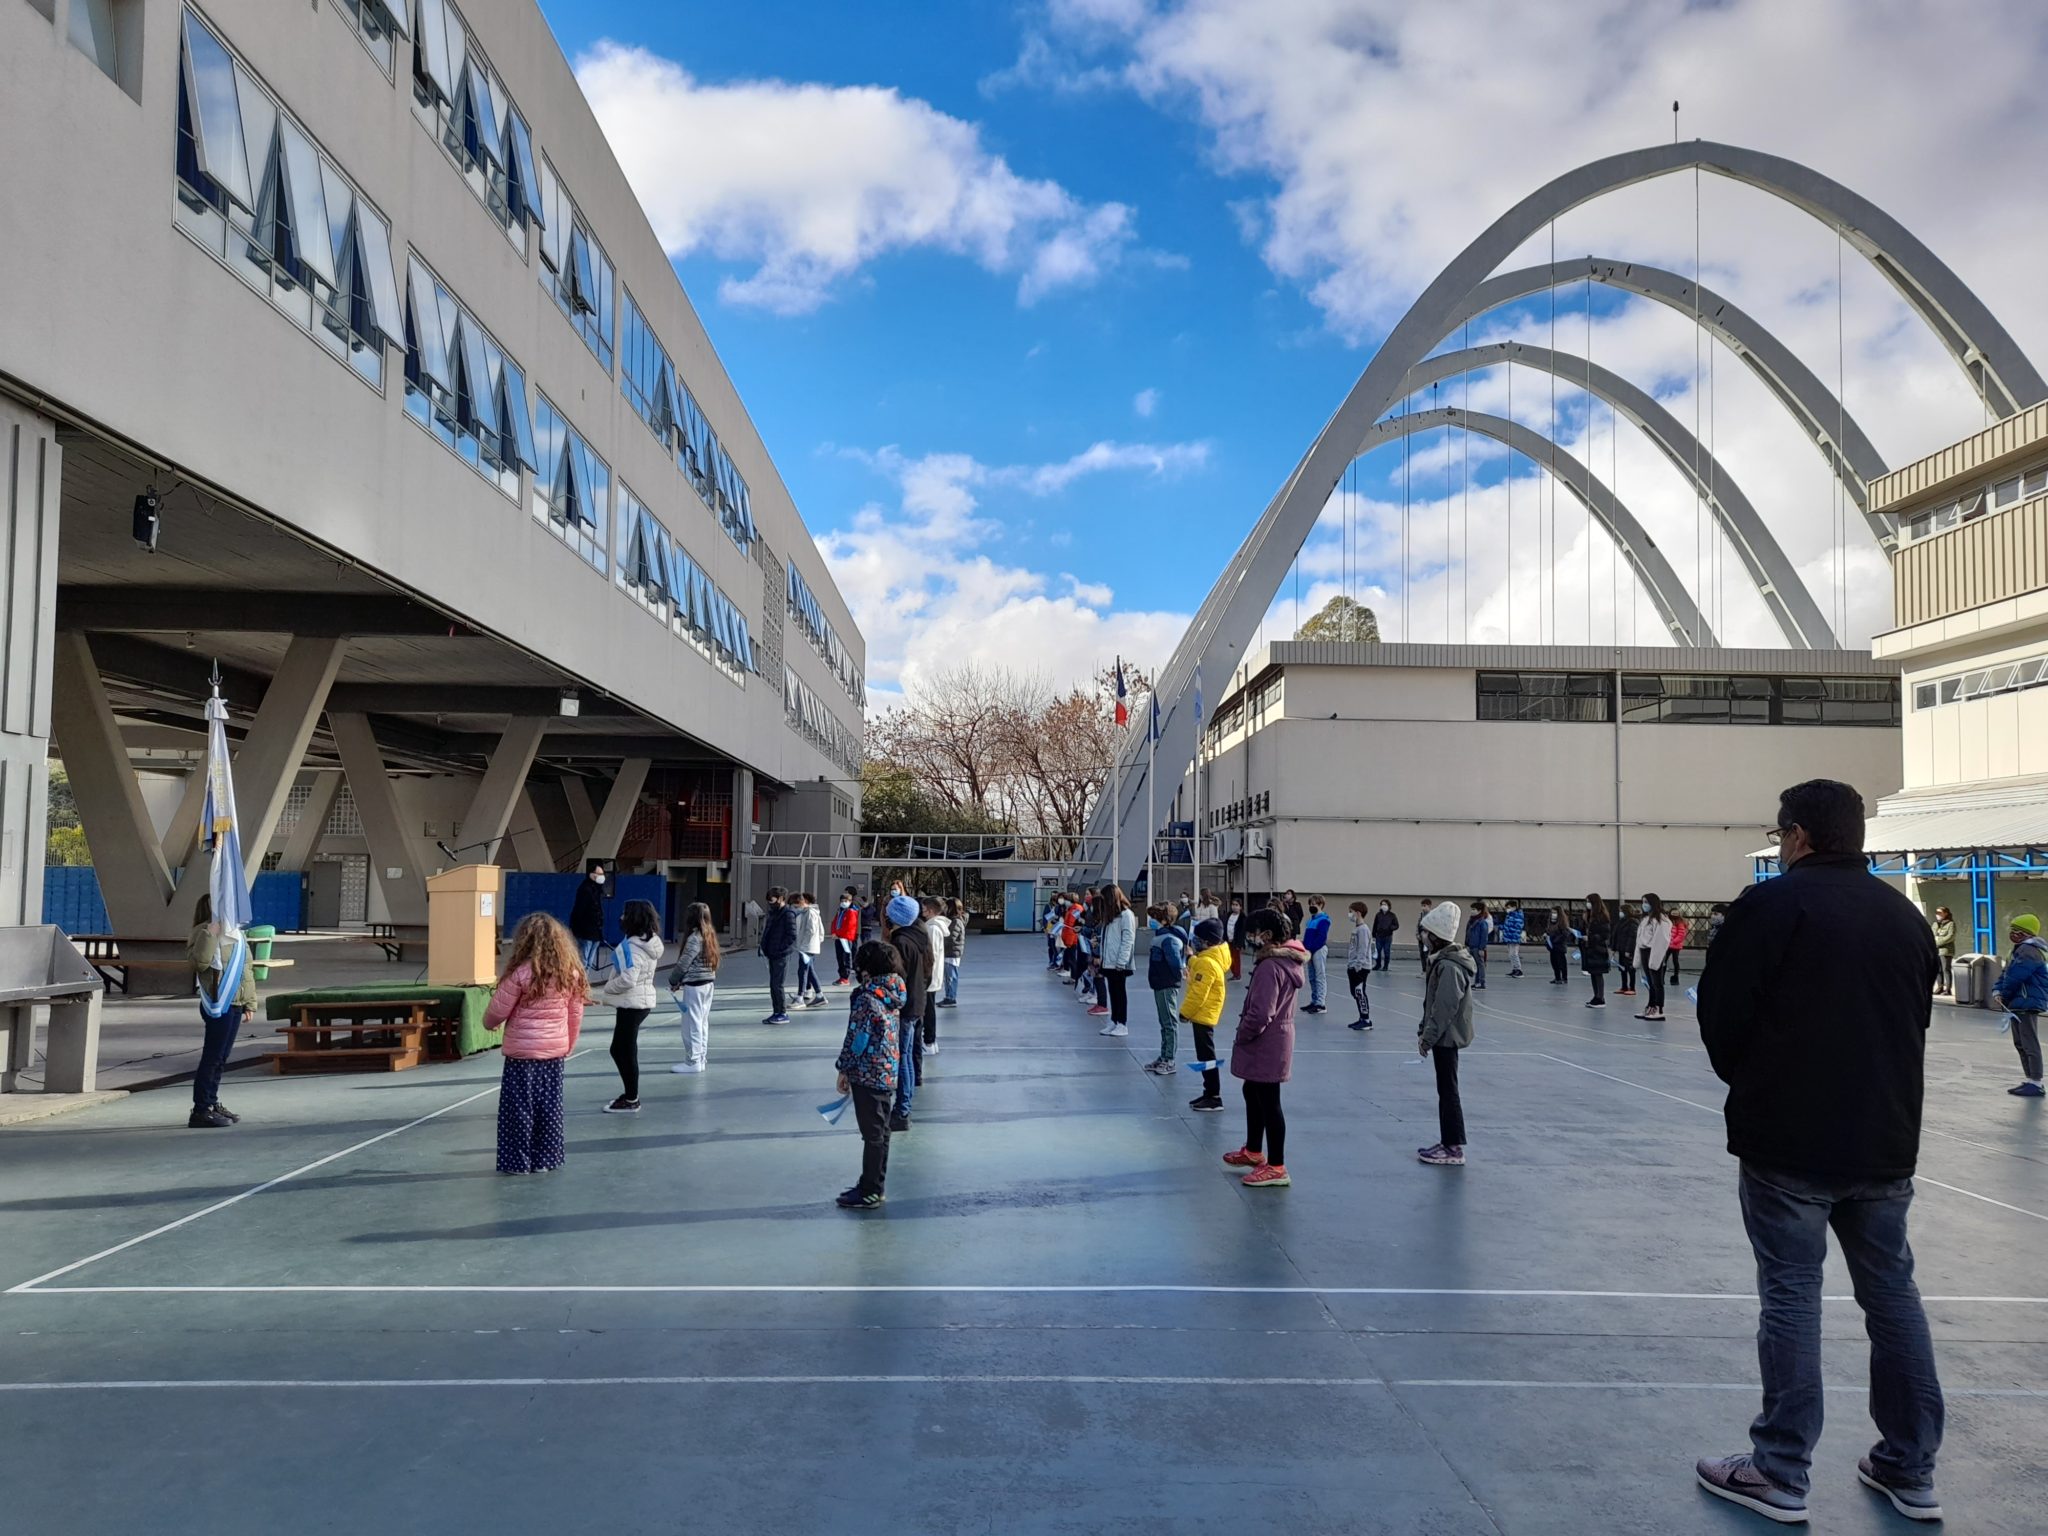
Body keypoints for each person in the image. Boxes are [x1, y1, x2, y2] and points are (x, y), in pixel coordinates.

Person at [1693, 779, 1945, 1526]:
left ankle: (1780, 1471)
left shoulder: (1770, 907)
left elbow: (1722, 1018)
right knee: (1893, 1297)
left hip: (1790, 1143)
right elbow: (1915, 1022)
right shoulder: (1903, 917)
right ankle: (1911, 1465)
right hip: (1885, 1143)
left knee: (1794, 1294)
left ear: (1798, 836)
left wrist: (1764, 1083)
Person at [484, 913, 585, 1176]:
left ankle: (517, 1162)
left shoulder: (521, 973)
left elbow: (496, 1012)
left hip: (522, 1054)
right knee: (549, 1108)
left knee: (518, 1110)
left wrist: (489, 1023)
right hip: (554, 1054)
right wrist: (568, 1044)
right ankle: (545, 1159)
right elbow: (575, 1014)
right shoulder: (570, 973)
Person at [1222, 908, 1304, 1189]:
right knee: (1252, 1090)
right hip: (1273, 1039)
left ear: (1267, 936)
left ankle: (1277, 1166)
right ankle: (1254, 1150)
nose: (1250, 938)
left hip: (1267, 1041)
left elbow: (1261, 1013)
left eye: (1253, 932)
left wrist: (1243, 1033)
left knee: (1269, 1101)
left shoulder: (1270, 967)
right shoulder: (1280, 964)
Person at [834, 940, 906, 1210]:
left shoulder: (867, 997)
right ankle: (872, 1184)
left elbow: (858, 1038)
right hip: (887, 1068)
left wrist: (844, 1067)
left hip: (867, 1071)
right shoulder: (894, 990)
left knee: (873, 1134)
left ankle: (870, 1190)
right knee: (881, 1130)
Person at [185, 893, 257, 1129]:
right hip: (218, 1002)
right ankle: (201, 1108)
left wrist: (250, 1002)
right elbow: (200, 963)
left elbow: (246, 969)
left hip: (236, 1002)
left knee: (221, 1057)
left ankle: (212, 1102)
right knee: (212, 1056)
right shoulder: (202, 932)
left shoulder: (236, 934)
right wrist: (210, 933)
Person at [1415, 901, 1475, 1166]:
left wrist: (1428, 1036)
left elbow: (1444, 1007)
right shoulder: (1442, 962)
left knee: (1449, 1090)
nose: (1423, 937)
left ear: (1436, 936)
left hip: (1446, 1037)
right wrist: (1424, 1028)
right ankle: (1448, 1140)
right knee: (1446, 1088)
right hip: (1443, 1035)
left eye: (1426, 932)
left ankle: (1453, 1146)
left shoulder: (1449, 967)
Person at [600, 899, 664, 1113]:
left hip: (633, 1003)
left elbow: (628, 979)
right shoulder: (648, 942)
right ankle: (630, 1095)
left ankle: (631, 1098)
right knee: (624, 1049)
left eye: (625, 914)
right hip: (638, 1002)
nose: (621, 917)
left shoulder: (633, 947)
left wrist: (608, 988)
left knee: (622, 1050)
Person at [882, 894, 931, 1132]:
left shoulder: (901, 943)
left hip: (904, 1006)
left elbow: (896, 979)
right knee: (908, 1056)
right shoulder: (919, 937)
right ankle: (904, 1104)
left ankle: (902, 1109)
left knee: (901, 1058)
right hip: (916, 1002)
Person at [1991, 913, 2047, 1097]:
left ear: (2027, 933)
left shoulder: (2028, 951)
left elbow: (2015, 976)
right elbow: (2007, 973)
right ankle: (2031, 1079)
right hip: (2018, 1002)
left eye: (2018, 931)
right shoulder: (2019, 950)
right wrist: (1997, 990)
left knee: (2028, 1042)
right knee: (2021, 1042)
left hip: (2025, 1001)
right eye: (2012, 929)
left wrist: (2003, 994)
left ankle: (2036, 1081)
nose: (2013, 933)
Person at [667, 901, 719, 1074]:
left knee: (691, 1024)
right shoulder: (709, 934)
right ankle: (701, 1058)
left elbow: (684, 963)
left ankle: (693, 1061)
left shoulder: (694, 938)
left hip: (695, 987)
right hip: (707, 983)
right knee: (702, 1022)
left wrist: (673, 980)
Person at [1182, 918, 1229, 1111]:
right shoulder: (1211, 958)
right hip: (1205, 1013)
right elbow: (1200, 966)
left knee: (1207, 1056)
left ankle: (1214, 1095)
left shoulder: (1207, 963)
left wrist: (1185, 1013)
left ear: (1208, 942)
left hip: (1203, 1014)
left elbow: (1198, 993)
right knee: (1205, 1055)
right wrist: (1192, 958)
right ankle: (1208, 1091)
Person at [1144, 904, 1189, 1075]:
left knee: (1169, 1022)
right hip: (1160, 982)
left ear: (1163, 920)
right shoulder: (1163, 936)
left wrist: (1179, 971)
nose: (1152, 921)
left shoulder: (1168, 939)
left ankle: (1169, 1059)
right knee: (1164, 1022)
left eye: (1155, 918)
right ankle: (1164, 1056)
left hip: (1166, 983)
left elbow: (1175, 963)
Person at [1096, 885, 1137, 1038]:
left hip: (1119, 963)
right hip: (1108, 961)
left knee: (1120, 992)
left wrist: (1121, 961)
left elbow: (1128, 939)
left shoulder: (1126, 915)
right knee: (1113, 991)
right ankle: (1114, 1020)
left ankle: (1122, 1023)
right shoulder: (1111, 916)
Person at [1635, 894, 1674, 1021]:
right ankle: (1651, 1005)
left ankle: (1659, 1008)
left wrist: (1656, 957)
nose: (1644, 904)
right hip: (1644, 951)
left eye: (1646, 902)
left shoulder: (1662, 920)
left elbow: (1662, 940)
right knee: (1649, 982)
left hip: (1654, 952)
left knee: (1657, 982)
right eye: (1643, 902)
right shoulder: (1646, 919)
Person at [569, 861, 612, 972]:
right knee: (583, 961)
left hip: (595, 931)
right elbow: (579, 910)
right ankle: (581, 983)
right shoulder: (585, 889)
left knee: (588, 961)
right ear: (591, 874)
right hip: (586, 931)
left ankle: (584, 982)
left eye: (602, 874)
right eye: (599, 874)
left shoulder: (597, 890)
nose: (602, 877)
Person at [918, 897, 948, 1053]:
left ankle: (929, 1041)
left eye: (924, 909)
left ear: (930, 910)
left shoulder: (933, 928)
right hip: (932, 974)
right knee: (929, 1007)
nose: (922, 912)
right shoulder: (933, 926)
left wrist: (924, 973)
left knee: (928, 1008)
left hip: (929, 975)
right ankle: (930, 1041)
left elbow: (932, 953)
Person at [1344, 901, 1375, 1030]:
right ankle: (1361, 1017)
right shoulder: (1356, 929)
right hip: (1353, 965)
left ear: (1358, 913)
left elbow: (1362, 949)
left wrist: (1358, 965)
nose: (1349, 914)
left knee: (1359, 991)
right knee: (1355, 992)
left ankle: (1366, 1019)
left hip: (1361, 967)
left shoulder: (1363, 930)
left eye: (1351, 911)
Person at [794, 893, 827, 1007]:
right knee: (809, 971)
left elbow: (811, 931)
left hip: (807, 947)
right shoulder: (808, 912)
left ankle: (800, 997)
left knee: (803, 971)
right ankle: (819, 995)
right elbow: (820, 931)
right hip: (808, 946)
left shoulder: (810, 913)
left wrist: (802, 945)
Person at [1300, 896, 1331, 1013]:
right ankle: (1314, 1001)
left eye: (1315, 904)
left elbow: (1321, 937)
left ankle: (1321, 1003)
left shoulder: (1324, 920)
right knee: (1312, 977)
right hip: (1309, 951)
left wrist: (1311, 949)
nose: (1312, 906)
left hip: (1318, 950)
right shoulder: (1311, 920)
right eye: (1311, 904)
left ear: (1321, 905)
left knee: (1320, 976)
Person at [1580, 895, 1612, 1008]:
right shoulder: (1588, 916)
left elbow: (1605, 935)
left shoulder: (1602, 917)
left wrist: (1591, 938)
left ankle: (1600, 997)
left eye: (1589, 902)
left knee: (1598, 973)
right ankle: (1596, 996)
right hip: (1589, 949)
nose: (1587, 904)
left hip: (1598, 949)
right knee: (1593, 973)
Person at [939, 897, 966, 1007]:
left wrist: (940, 940)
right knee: (948, 976)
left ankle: (951, 997)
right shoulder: (953, 921)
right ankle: (948, 996)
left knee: (951, 976)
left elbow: (950, 938)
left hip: (952, 953)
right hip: (949, 952)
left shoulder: (956, 922)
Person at [832, 890, 861, 984]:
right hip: (839, 937)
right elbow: (834, 922)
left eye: (846, 901)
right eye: (842, 901)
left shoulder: (852, 912)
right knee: (839, 957)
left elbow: (849, 926)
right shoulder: (840, 911)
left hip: (846, 938)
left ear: (850, 901)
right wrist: (833, 932)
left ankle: (845, 977)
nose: (843, 903)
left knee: (846, 958)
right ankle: (841, 976)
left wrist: (838, 933)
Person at [1612, 900, 1640, 997]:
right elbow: (1616, 935)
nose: (1619, 913)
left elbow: (1632, 937)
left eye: (1621, 911)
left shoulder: (1632, 922)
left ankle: (1632, 988)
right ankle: (1624, 986)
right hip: (1621, 949)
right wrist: (1614, 948)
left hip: (1628, 950)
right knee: (1622, 968)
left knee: (1630, 968)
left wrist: (1628, 950)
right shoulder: (1621, 922)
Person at [1929, 906, 1956, 996]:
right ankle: (1939, 987)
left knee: (1946, 969)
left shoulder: (1951, 924)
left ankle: (1948, 989)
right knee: (1938, 969)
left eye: (1940, 913)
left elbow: (1950, 936)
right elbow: (1931, 934)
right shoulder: (1935, 924)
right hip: (1936, 951)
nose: (1938, 915)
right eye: (1937, 913)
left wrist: (1938, 943)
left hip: (1945, 950)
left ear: (1946, 913)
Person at [1465, 901, 1491, 990]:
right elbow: (1467, 933)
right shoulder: (1471, 921)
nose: (1472, 911)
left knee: (1480, 965)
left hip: (1477, 947)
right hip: (1471, 946)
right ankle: (1476, 982)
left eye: (1474, 909)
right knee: (1476, 965)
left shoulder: (1482, 922)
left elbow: (1484, 937)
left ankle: (1481, 982)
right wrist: (1467, 944)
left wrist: (1481, 948)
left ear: (1479, 911)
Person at [1499, 900, 1526, 978]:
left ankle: (1518, 970)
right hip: (1509, 937)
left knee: (1514, 954)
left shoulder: (1517, 915)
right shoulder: (1509, 915)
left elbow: (1517, 926)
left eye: (1509, 907)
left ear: (1514, 907)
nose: (1507, 909)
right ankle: (1514, 969)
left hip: (1514, 937)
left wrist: (1508, 929)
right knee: (1511, 954)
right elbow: (1507, 925)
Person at [1544, 906, 1570, 984]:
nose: (1553, 914)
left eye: (1555, 913)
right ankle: (1557, 977)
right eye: (1552, 913)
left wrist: (1555, 940)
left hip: (1559, 946)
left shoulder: (1562, 922)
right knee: (1554, 962)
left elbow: (1564, 934)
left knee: (1561, 963)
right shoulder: (1550, 922)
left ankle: (1564, 978)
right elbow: (1548, 931)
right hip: (1552, 946)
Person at [1370, 900, 1398, 971]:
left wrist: (1390, 928)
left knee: (1386, 951)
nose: (1383, 906)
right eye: (1382, 904)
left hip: (1388, 936)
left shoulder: (1392, 915)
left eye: (1385, 904)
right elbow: (1375, 924)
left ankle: (1386, 966)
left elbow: (1396, 925)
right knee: (1378, 951)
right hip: (1379, 936)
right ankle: (1378, 965)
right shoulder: (1378, 915)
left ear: (1388, 905)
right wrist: (1373, 934)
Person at [1224, 895, 1245, 979]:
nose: (1234, 907)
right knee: (1229, 957)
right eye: (1233, 904)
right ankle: (1233, 972)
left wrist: (1239, 944)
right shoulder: (1229, 915)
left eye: (1236, 905)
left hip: (1236, 941)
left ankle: (1237, 974)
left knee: (1236, 958)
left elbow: (1242, 932)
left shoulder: (1242, 918)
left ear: (1240, 907)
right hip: (1227, 939)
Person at [1667, 910, 1690, 984]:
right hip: (1668, 945)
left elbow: (1681, 935)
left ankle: (1676, 977)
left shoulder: (1680, 923)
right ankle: (1661, 978)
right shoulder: (1668, 922)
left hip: (1675, 945)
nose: (1674, 915)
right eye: (1672, 913)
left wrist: (1673, 942)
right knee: (1663, 961)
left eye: (1675, 913)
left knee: (1675, 961)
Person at [1415, 897, 1434, 970]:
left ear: (1429, 906)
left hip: (1428, 939)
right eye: (1422, 906)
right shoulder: (1421, 915)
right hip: (1421, 938)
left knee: (1427, 955)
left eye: (1424, 906)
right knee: (1422, 954)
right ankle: (1424, 970)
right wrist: (1417, 934)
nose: (1423, 907)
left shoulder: (1432, 915)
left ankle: (1428, 970)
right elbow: (1418, 925)